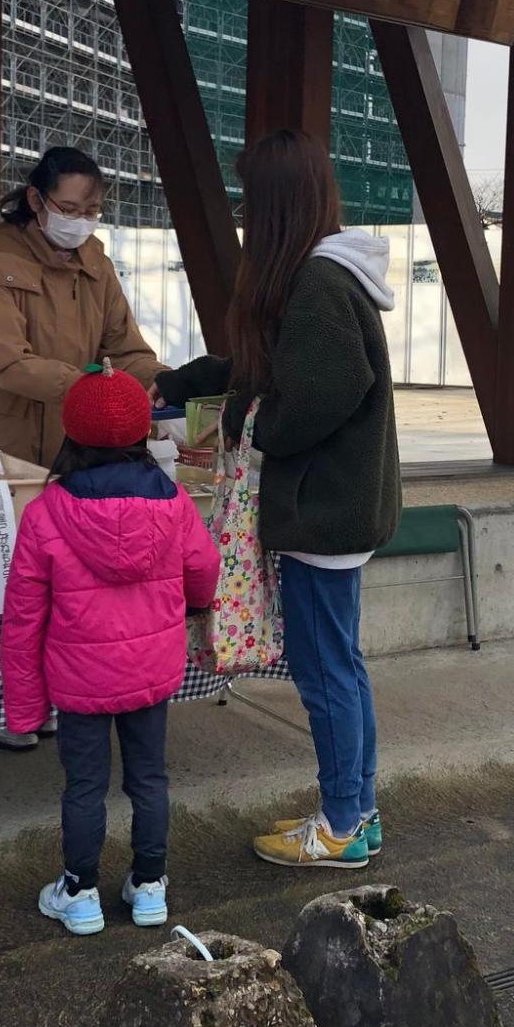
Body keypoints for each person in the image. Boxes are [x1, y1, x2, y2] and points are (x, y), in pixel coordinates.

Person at [156, 129, 400, 871]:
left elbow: (318, 391)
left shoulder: (319, 283)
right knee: (341, 667)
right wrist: (188, 382)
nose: (239, 212)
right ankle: (356, 811)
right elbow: (274, 364)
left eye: (247, 198)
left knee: (325, 672)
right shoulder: (324, 275)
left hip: (323, 511)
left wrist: (251, 425)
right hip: (338, 508)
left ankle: (340, 826)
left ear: (275, 206)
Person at [0, 146, 166, 750]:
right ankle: (2, 707)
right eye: (69, 207)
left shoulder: (96, 262)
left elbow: (132, 348)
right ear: (36, 200)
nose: (82, 220)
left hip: (71, 452)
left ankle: (57, 695)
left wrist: (147, 383)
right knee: (3, 585)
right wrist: (98, 388)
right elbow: (9, 365)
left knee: (64, 585)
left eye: (93, 209)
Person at [0, 362, 221, 936]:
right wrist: (191, 604)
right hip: (151, 672)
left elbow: (23, 618)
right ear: (142, 433)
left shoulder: (46, 512)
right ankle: (150, 885)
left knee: (84, 787)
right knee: (149, 779)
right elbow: (204, 569)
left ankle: (79, 892)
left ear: (70, 433)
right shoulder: (172, 502)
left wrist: (23, 712)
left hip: (79, 681)